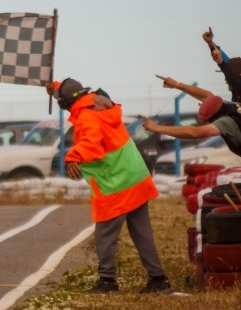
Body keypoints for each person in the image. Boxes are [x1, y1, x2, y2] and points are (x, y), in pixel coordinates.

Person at [48, 78, 172, 294]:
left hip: (116, 182)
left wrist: (72, 158)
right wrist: (56, 88)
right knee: (142, 233)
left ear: (64, 103)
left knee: (105, 235)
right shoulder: (102, 104)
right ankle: (159, 280)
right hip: (135, 177)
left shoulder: (86, 116)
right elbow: (72, 93)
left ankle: (107, 282)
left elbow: (91, 144)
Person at [161, 28, 241, 117]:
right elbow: (227, 63)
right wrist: (211, 44)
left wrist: (221, 63)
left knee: (212, 99)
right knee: (212, 100)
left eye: (228, 77)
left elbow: (236, 81)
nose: (226, 80)